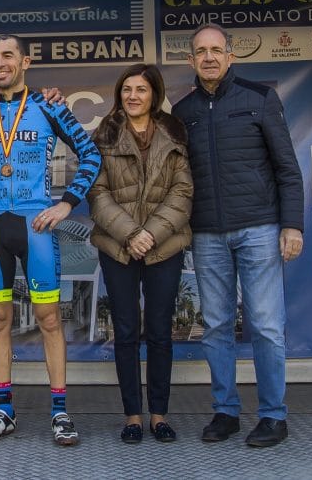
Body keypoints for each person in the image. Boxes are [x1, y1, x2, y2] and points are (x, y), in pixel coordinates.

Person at [0, 34, 101, 446]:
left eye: (7, 56)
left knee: (49, 320)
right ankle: (3, 409)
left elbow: (91, 155)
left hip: (36, 225)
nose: (0, 64)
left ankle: (60, 411)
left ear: (25, 62)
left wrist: (68, 203)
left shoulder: (49, 106)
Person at [171, 23, 304, 448]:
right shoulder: (183, 112)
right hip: (207, 234)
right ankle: (225, 411)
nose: (208, 57)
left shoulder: (260, 99)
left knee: (265, 325)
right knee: (216, 327)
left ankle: (272, 416)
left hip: (260, 229)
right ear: (190, 60)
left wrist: (292, 225)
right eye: (200, 51)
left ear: (231, 56)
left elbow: (287, 168)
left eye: (216, 50)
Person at [87, 63, 193, 444]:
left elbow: (183, 193)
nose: (133, 96)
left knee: (161, 333)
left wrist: (150, 234)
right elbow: (96, 193)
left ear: (155, 94)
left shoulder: (174, 132)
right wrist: (132, 233)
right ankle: (133, 416)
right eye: (127, 89)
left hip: (164, 247)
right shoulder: (105, 134)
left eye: (141, 90)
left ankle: (158, 416)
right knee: (127, 332)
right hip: (119, 248)